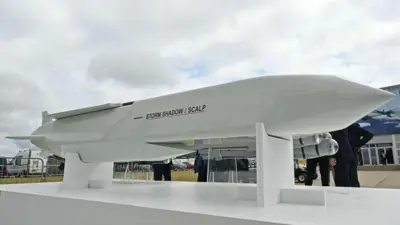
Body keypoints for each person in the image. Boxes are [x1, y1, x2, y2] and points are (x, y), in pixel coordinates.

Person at [347, 123, 373, 187]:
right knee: (352, 173)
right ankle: (354, 187)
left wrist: (358, 144)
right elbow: (369, 135)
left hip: (351, 151)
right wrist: (358, 144)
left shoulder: (352, 127)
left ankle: (352, 187)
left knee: (350, 173)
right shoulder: (354, 127)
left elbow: (369, 135)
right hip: (352, 151)